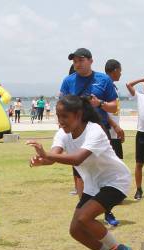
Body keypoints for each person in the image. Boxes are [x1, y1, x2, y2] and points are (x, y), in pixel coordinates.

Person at [27, 95, 132, 250]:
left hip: (115, 180)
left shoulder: (94, 131)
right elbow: (53, 157)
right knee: (76, 230)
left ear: (79, 114)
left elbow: (77, 159)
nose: (60, 121)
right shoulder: (62, 133)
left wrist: (46, 154)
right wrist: (41, 161)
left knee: (85, 218)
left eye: (65, 116)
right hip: (93, 183)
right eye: (58, 116)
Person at [60, 47, 121, 227]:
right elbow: (62, 106)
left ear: (91, 61)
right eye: (75, 61)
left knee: (104, 172)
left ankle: (107, 211)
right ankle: (84, 208)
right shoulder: (68, 81)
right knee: (80, 172)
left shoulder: (103, 80)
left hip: (98, 132)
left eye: (81, 60)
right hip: (76, 133)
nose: (77, 64)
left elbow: (114, 107)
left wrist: (99, 103)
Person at [104, 59, 125, 159]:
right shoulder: (104, 86)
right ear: (115, 70)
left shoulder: (113, 87)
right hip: (108, 131)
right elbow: (101, 111)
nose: (120, 74)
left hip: (114, 132)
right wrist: (115, 126)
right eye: (120, 71)